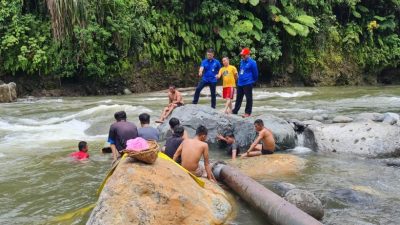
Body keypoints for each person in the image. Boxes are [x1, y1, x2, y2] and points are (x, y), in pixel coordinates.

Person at [232, 47, 259, 118]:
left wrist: (252, 81)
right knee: (238, 98)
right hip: (240, 82)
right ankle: (235, 110)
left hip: (248, 83)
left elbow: (255, 74)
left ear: (248, 55)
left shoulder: (252, 62)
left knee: (249, 98)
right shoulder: (242, 61)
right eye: (241, 55)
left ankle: (247, 112)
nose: (242, 56)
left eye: (243, 55)